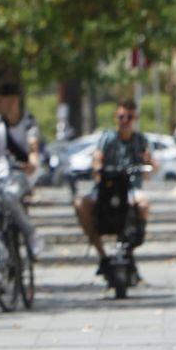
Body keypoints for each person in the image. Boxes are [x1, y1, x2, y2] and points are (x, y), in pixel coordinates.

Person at [74, 97, 157, 273]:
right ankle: (102, 255)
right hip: (106, 187)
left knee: (143, 204)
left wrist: (149, 163)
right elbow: (97, 158)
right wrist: (97, 168)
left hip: (131, 188)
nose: (125, 121)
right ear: (116, 118)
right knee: (81, 205)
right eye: (121, 117)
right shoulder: (108, 138)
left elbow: (152, 168)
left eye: (129, 117)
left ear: (135, 119)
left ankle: (131, 246)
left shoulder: (140, 140)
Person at [0, 81, 44, 258]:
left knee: (9, 196)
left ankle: (31, 233)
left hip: (21, 174)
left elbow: (33, 149)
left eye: (0, 101)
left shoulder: (28, 122)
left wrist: (32, 163)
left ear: (13, 101)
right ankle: (0, 261)